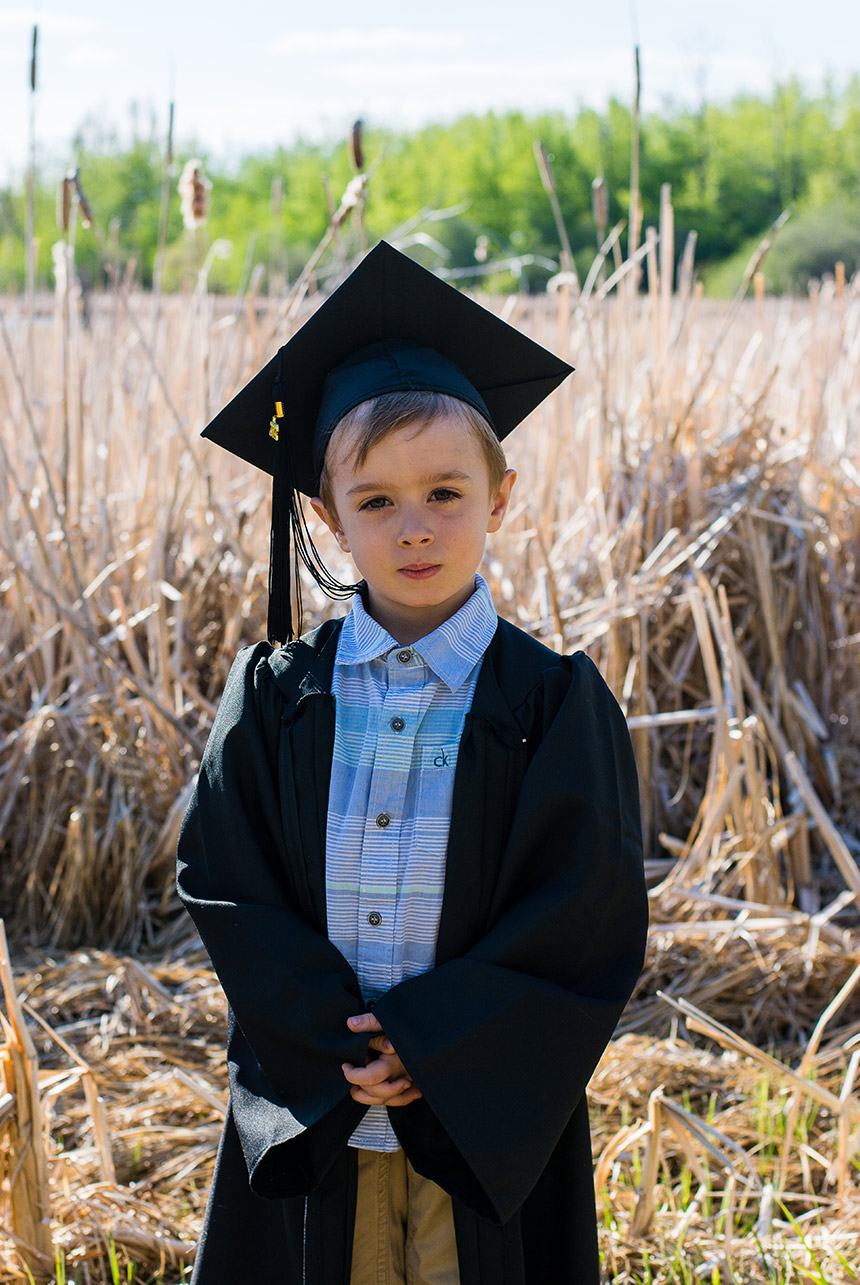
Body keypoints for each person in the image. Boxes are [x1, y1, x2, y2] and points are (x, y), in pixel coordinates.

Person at [176, 241, 648, 1285]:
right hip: (321, 1109)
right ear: (325, 516)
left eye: (445, 491)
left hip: (480, 1123)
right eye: (377, 501)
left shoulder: (551, 701)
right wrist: (338, 1044)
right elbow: (227, 884)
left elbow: (583, 909)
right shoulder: (275, 696)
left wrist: (434, 1046)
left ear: (501, 496)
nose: (415, 527)